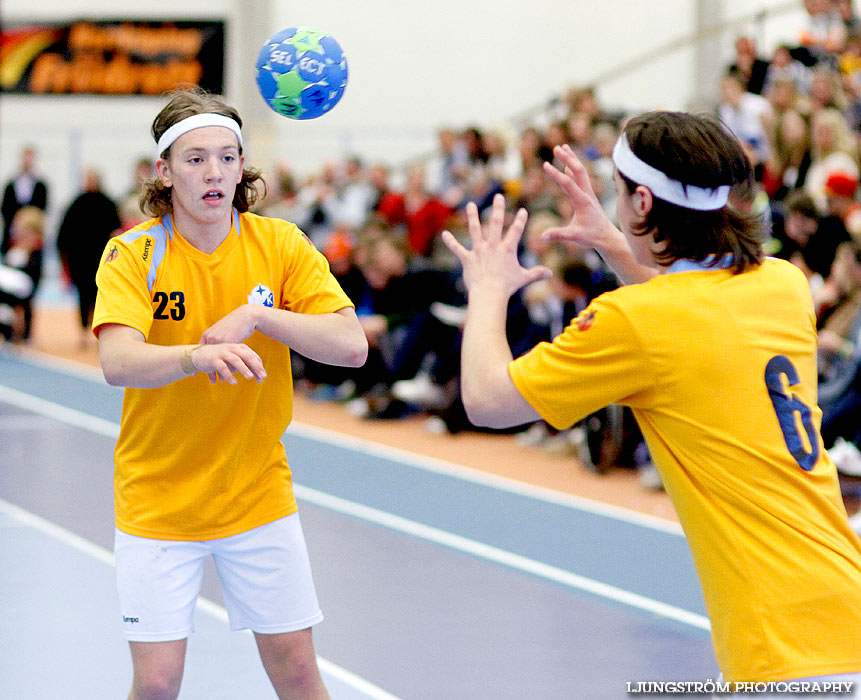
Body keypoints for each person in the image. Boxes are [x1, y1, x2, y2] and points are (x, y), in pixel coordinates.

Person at [442, 111, 861, 690]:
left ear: (643, 202)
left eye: (616, 190)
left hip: (783, 648)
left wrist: (487, 290)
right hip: (842, 612)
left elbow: (486, 399)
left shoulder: (635, 320)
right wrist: (617, 244)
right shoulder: (782, 284)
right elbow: (686, 317)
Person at [92, 87, 367, 700]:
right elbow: (116, 361)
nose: (213, 173)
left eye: (227, 157)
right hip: (159, 501)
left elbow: (351, 346)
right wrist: (195, 356)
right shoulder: (133, 253)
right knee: (158, 685)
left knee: (298, 675)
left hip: (256, 496)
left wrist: (260, 318)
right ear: (163, 172)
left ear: (243, 167)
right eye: (195, 159)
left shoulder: (281, 246)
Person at [56, 167, 122, 347]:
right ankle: (84, 331)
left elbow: (118, 232)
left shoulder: (108, 203)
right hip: (80, 259)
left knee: (100, 296)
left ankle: (98, 331)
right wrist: (64, 260)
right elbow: (64, 232)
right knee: (83, 297)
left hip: (102, 258)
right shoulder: (76, 203)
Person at [1, 145, 48, 256]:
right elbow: (5, 208)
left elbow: (42, 209)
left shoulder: (40, 186)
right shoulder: (11, 185)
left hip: (33, 232)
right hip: (13, 235)